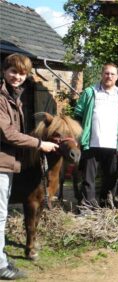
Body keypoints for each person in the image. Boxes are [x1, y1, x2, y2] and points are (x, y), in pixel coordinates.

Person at [0, 53, 59, 280]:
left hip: (8, 163)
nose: (17, 77)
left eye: (22, 73)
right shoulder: (2, 98)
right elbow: (7, 133)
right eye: (13, 71)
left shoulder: (13, 96)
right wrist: (38, 143)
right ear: (5, 71)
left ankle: (2, 258)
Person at [74, 63, 118, 209]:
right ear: (102, 74)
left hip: (113, 144)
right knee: (88, 178)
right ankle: (87, 207)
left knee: (111, 177)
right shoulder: (89, 92)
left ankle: (106, 206)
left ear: (117, 77)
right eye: (106, 73)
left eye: (112, 74)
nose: (109, 76)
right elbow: (78, 115)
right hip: (91, 142)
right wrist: (78, 136)